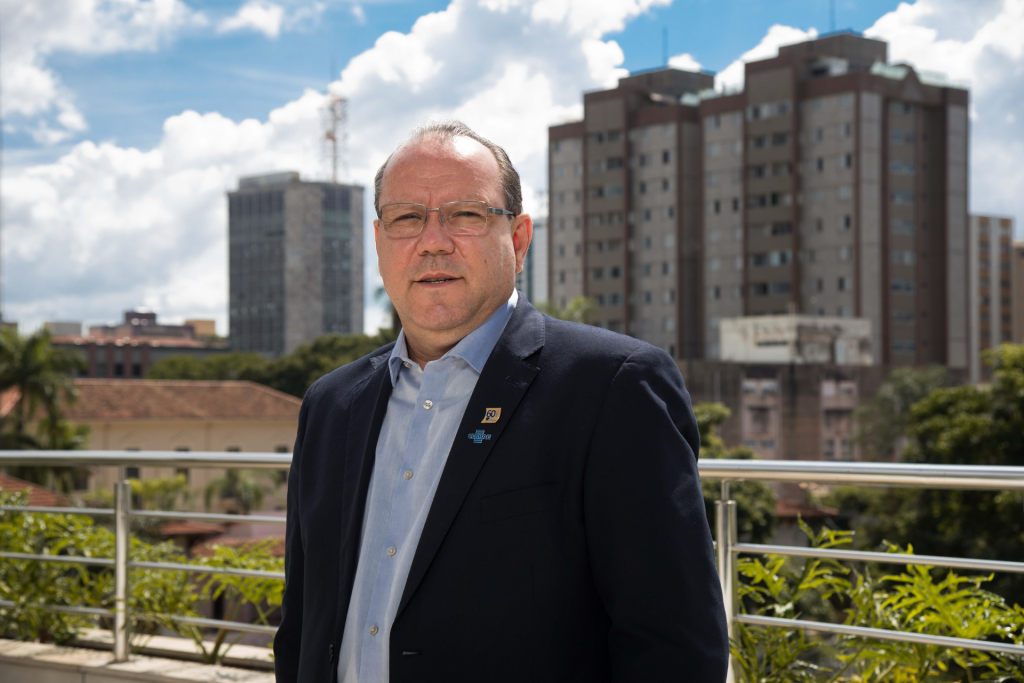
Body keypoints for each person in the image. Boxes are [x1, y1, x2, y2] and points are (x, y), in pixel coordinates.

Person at [273, 120, 728, 683]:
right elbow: (301, 625)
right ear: (379, 240)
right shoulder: (330, 405)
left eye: (465, 214)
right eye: (406, 218)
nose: (432, 240)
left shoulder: (613, 388)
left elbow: (676, 648)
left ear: (518, 238)